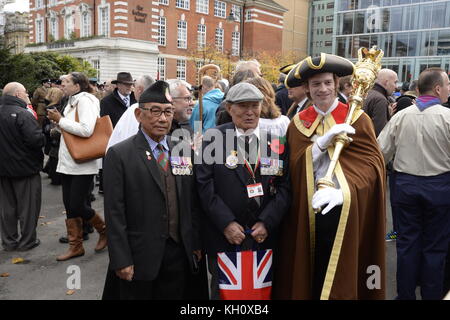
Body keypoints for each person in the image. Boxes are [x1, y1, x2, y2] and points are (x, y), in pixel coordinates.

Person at [273, 53, 386, 300]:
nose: (322, 89)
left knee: (341, 272)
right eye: (315, 84)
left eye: (327, 82)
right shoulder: (297, 124)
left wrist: (344, 192)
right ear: (306, 89)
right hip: (307, 210)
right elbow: (290, 169)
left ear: (336, 84)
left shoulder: (358, 118)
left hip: (345, 209)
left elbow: (373, 168)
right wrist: (319, 146)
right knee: (311, 272)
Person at [102, 80, 201, 300]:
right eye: (155, 112)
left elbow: (191, 202)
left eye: (168, 112)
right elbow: (114, 211)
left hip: (178, 251)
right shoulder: (120, 155)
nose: (163, 119)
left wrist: (194, 242)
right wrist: (121, 259)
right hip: (140, 255)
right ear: (138, 115)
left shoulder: (182, 150)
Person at [195, 82, 291, 299]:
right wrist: (226, 223)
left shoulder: (276, 141)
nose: (250, 112)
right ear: (229, 109)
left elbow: (285, 186)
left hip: (263, 236)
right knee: (224, 294)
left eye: (254, 106)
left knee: (262, 293)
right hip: (224, 236)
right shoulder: (212, 138)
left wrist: (267, 221)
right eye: (243, 106)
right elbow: (203, 186)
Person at [377, 67, 450, 300]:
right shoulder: (447, 117)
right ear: (438, 88)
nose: (449, 89)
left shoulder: (400, 115)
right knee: (435, 248)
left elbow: (380, 152)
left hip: (405, 187)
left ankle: (405, 295)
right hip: (440, 187)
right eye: (447, 85)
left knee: (407, 245)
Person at [47, 72, 107, 261]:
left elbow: (86, 130)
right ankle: (76, 247)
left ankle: (105, 230)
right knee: (69, 205)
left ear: (77, 86)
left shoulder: (85, 101)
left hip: (82, 162)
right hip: (69, 162)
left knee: (77, 204)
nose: (61, 85)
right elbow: (72, 128)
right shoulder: (73, 100)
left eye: (65, 82)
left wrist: (60, 120)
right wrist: (59, 125)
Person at [0, 82, 44, 251]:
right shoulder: (23, 114)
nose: (28, 95)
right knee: (28, 208)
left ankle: (9, 242)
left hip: (3, 170)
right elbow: (36, 140)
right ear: (17, 94)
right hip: (25, 168)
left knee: (7, 208)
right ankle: (27, 241)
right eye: (25, 92)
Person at [363, 68, 398, 136]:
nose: (396, 87)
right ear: (386, 82)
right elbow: (380, 133)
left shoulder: (368, 93)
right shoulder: (380, 100)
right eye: (395, 82)